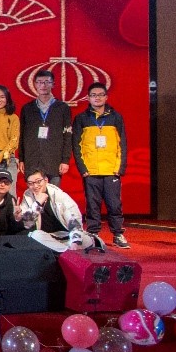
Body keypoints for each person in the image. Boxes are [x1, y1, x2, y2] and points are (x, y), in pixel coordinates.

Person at [72, 82, 129, 248]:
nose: (97, 98)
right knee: (92, 205)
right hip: (91, 171)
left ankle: (117, 234)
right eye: (93, 95)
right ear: (88, 98)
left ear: (106, 97)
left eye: (100, 95)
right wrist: (83, 169)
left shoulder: (116, 117)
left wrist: (120, 168)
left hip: (111, 170)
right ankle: (93, 235)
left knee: (114, 205)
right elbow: (76, 145)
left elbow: (122, 143)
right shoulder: (81, 118)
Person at [18, 69, 74, 187]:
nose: (43, 85)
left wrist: (65, 160)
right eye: (39, 82)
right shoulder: (27, 108)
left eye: (47, 82)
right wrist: (22, 159)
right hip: (32, 160)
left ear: (53, 84)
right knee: (34, 194)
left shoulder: (62, 108)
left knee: (53, 194)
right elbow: (22, 136)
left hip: (54, 161)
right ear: (34, 84)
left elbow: (68, 136)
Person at [18, 167, 86, 251]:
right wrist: (38, 204)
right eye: (31, 183)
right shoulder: (28, 196)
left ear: (46, 180)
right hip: (48, 238)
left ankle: (64, 251)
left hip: (68, 236)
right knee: (35, 235)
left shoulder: (59, 195)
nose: (35, 186)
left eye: (39, 181)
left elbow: (74, 220)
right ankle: (67, 253)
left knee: (86, 240)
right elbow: (27, 224)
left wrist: (75, 242)